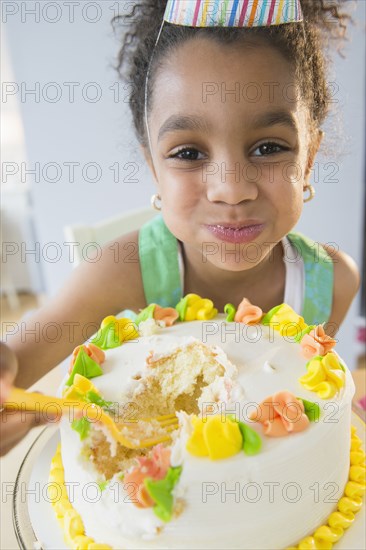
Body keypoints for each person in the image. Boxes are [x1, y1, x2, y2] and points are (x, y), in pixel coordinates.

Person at [0, 0, 360, 455]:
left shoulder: (331, 285)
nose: (231, 189)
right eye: (188, 153)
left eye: (269, 147)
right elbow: (18, 357)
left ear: (307, 161)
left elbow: (311, 406)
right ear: (154, 168)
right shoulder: (121, 271)